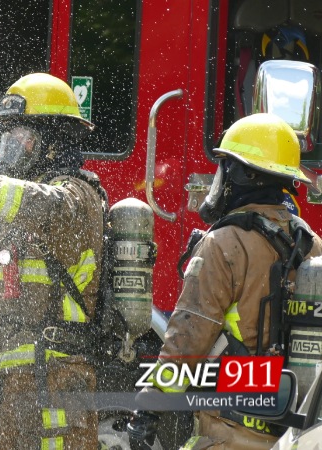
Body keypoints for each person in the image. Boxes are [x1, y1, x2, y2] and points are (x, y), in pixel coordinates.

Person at [0, 72, 106, 449]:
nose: (8, 152)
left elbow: (44, 204)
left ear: (54, 141)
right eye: (5, 140)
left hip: (56, 384)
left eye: (22, 140)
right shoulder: (11, 215)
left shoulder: (77, 197)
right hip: (6, 383)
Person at [129, 113, 322, 450]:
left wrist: (150, 404)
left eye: (227, 167)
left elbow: (188, 338)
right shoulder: (311, 244)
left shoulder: (224, 242)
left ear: (246, 174)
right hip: (295, 431)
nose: (222, 178)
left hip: (231, 430)